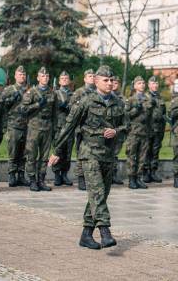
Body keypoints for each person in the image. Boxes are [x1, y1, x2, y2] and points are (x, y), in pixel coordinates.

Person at [49, 65, 127, 250]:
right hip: (88, 153)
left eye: (111, 80)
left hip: (108, 155)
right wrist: (57, 151)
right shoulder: (85, 101)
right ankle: (105, 231)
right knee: (98, 192)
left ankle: (86, 235)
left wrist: (115, 131)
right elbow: (68, 127)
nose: (109, 83)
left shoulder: (118, 103)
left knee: (99, 195)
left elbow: (126, 127)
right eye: (105, 80)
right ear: (96, 81)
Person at [22, 67, 57, 192]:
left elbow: (55, 113)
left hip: (47, 127)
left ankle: (41, 180)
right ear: (38, 78)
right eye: (43, 76)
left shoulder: (52, 93)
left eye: (47, 76)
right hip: (34, 128)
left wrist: (55, 129)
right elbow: (23, 109)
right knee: (31, 155)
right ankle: (32, 180)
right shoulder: (31, 92)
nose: (45, 78)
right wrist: (37, 104)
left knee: (44, 156)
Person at [2, 66, 29, 187]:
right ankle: (12, 175)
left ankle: (21, 175)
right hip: (13, 125)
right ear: (15, 76)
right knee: (13, 151)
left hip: (27, 125)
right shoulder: (9, 89)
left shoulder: (30, 90)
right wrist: (11, 99)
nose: (22, 76)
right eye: (19, 74)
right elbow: (1, 105)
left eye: (23, 74)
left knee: (24, 153)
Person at [69, 69, 96, 190]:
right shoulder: (79, 92)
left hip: (95, 129)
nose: (92, 78)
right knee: (81, 154)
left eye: (93, 76)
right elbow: (73, 109)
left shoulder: (97, 92)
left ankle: (91, 177)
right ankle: (81, 178)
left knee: (94, 154)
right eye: (89, 76)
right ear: (85, 79)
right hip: (82, 129)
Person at [125, 76, 153, 189]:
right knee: (132, 156)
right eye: (139, 83)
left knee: (142, 157)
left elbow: (150, 117)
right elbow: (126, 116)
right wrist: (136, 109)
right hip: (134, 132)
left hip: (145, 132)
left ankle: (139, 178)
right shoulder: (131, 100)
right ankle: (131, 179)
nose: (142, 85)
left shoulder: (148, 99)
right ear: (135, 86)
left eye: (143, 83)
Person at [53, 71, 74, 186]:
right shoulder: (55, 93)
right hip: (59, 127)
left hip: (69, 127)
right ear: (59, 81)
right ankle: (57, 174)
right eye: (62, 78)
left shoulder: (73, 94)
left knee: (68, 151)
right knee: (58, 150)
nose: (65, 80)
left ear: (69, 80)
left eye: (66, 78)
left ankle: (64, 174)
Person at [144, 76, 166, 184]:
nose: (155, 85)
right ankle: (145, 172)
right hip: (148, 129)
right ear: (149, 85)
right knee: (147, 150)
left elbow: (163, 113)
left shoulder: (160, 97)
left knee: (155, 151)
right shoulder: (145, 97)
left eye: (156, 83)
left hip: (159, 129)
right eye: (153, 83)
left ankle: (153, 171)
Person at [111, 76, 126, 185]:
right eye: (113, 82)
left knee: (115, 154)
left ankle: (113, 174)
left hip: (118, 131)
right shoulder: (106, 97)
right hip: (107, 130)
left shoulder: (123, 99)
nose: (114, 84)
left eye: (117, 83)